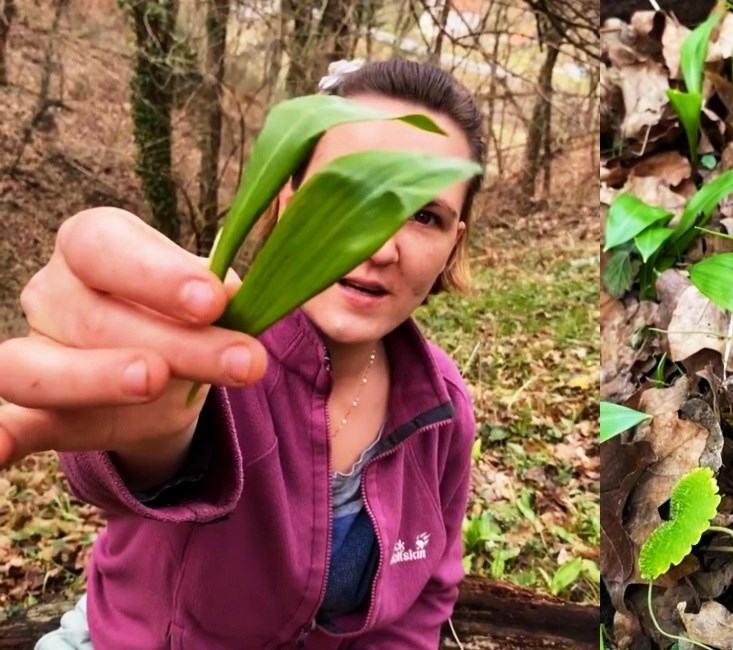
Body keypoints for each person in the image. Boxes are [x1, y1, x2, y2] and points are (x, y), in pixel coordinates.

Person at [0, 58, 486, 648]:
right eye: (348, 197)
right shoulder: (219, 351)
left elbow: (430, 590)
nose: (381, 246)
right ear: (287, 199)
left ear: (452, 243)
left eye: (424, 214)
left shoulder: (443, 405)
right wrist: (148, 415)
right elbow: (142, 457)